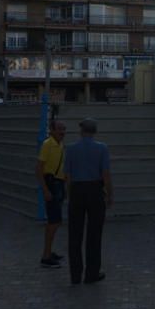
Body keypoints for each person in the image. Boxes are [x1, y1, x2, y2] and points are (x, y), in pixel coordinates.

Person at [65, 118, 114, 285]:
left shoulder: (71, 149)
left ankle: (75, 274)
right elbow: (106, 174)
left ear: (81, 131)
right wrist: (110, 194)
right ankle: (92, 273)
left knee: (74, 234)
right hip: (94, 190)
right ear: (95, 131)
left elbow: (68, 175)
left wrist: (69, 193)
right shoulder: (102, 148)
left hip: (77, 190)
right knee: (94, 234)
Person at [35, 120, 67, 268]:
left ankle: (49, 251)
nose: (62, 132)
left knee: (55, 221)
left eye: (64, 129)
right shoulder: (48, 144)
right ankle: (46, 256)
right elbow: (39, 169)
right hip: (52, 184)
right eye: (59, 129)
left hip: (58, 184)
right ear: (52, 130)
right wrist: (45, 190)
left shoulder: (60, 145)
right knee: (53, 222)